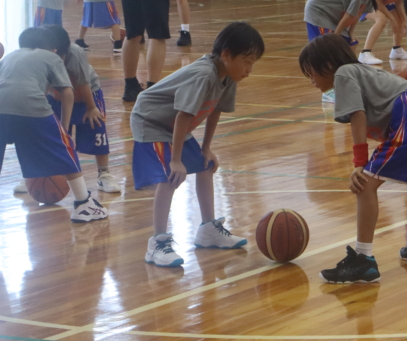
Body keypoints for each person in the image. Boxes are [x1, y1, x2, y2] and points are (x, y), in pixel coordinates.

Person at [299, 34, 407, 284]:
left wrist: (359, 163)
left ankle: (363, 260)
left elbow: (357, 115)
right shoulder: (364, 74)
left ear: (327, 65)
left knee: (364, 185)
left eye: (310, 73)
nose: (310, 81)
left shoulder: (343, 74)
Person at [130, 22, 263, 267]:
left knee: (205, 165)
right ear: (226, 55)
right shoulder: (203, 74)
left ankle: (208, 230)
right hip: (151, 121)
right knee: (170, 175)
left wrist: (206, 148)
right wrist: (176, 159)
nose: (249, 69)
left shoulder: (228, 77)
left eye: (253, 62)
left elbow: (214, 111)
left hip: (174, 123)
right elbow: (183, 116)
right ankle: (157, 242)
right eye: (247, 61)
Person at [1, 27, 109, 223]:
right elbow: (67, 92)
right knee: (64, 149)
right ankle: (84, 204)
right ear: (53, 49)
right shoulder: (53, 58)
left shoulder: (11, 55)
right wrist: (64, 129)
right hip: (31, 106)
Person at [43, 25, 121, 194]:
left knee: (97, 131)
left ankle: (104, 174)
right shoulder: (41, 55)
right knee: (55, 136)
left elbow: (83, 83)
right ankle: (43, 175)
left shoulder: (75, 53)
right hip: (56, 97)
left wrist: (92, 107)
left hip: (86, 96)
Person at [304, 0, 393, 101]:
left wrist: (350, 33)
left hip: (332, 16)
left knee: (351, 44)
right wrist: (335, 37)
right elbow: (347, 16)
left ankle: (343, 84)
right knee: (327, 51)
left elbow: (356, 15)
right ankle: (327, 90)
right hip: (319, 11)